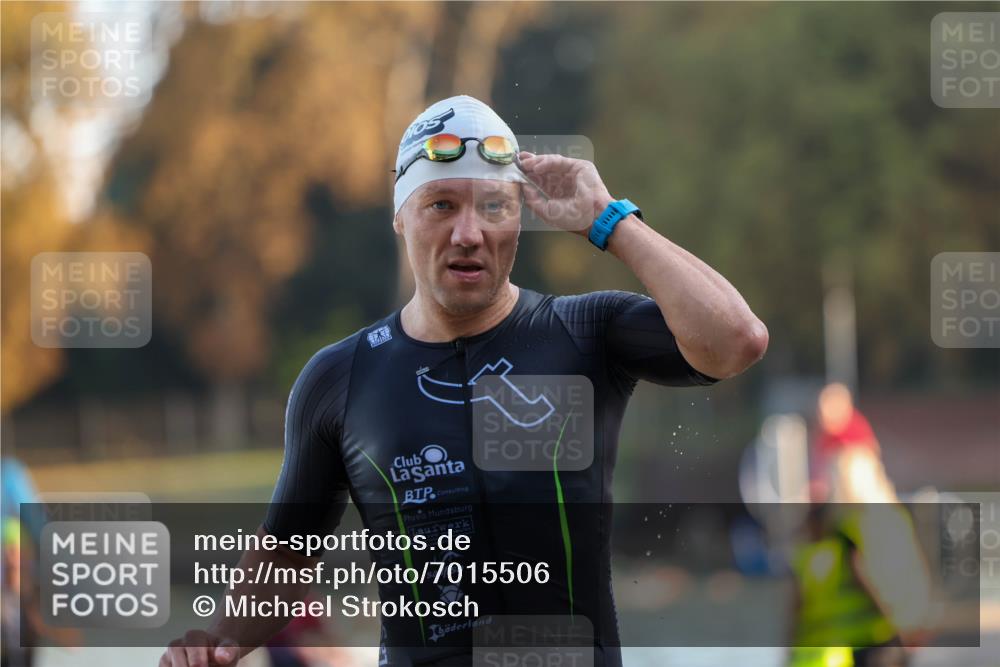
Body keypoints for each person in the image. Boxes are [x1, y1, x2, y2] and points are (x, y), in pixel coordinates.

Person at [160, 94, 768, 667]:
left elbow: (736, 340)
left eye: (494, 206)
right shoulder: (340, 377)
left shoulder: (585, 331)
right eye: (442, 205)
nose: (469, 233)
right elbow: (287, 557)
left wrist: (609, 221)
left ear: (518, 220)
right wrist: (215, 643)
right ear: (402, 217)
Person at [788, 448, 932, 667]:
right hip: (893, 628)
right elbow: (915, 567)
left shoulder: (851, 524)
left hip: (870, 636)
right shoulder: (895, 517)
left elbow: (866, 575)